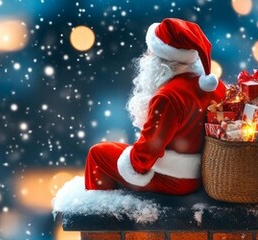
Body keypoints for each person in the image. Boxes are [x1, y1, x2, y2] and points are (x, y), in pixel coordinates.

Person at [84, 18, 226, 195]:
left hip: (176, 179)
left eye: (150, 52)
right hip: (205, 173)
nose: (147, 56)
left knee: (98, 154)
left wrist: (131, 162)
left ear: (160, 60)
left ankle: (98, 210)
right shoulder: (216, 86)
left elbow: (146, 153)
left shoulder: (168, 96)